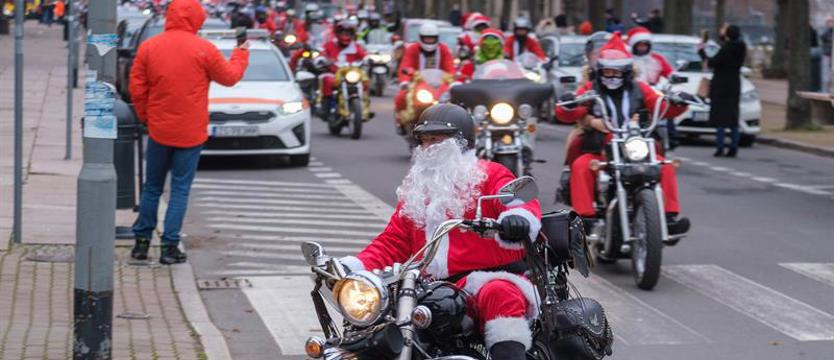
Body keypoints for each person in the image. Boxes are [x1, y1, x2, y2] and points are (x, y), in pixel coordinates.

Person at [340, 103, 543, 360]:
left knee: (499, 295)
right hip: (428, 287)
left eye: (435, 139)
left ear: (460, 142)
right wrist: (352, 266)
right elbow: (394, 241)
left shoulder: (489, 174)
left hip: (486, 279)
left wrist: (517, 219)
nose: (427, 148)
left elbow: (519, 201)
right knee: (378, 322)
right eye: (424, 140)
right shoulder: (418, 189)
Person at [128, 0, 249, 264]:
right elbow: (229, 77)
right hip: (190, 132)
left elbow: (137, 86)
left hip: (159, 129)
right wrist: (241, 52)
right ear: (197, 19)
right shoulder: (204, 49)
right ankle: (170, 246)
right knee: (180, 189)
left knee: (152, 188)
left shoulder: (150, 47)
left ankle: (141, 242)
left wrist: (147, 116)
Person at [555, 32, 690, 235]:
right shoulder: (591, 89)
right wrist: (570, 105)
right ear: (599, 71)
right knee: (581, 165)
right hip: (600, 148)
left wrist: (679, 102)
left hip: (635, 147)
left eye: (617, 72)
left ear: (627, 72)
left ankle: (669, 218)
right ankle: (586, 218)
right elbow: (569, 111)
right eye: (607, 72)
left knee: (664, 166)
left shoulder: (641, 89)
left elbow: (662, 108)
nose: (612, 76)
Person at [394, 23, 455, 132]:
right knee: (401, 97)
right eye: (426, 38)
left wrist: (453, 81)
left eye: (432, 38)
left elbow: (450, 68)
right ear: (421, 38)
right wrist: (404, 81)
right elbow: (405, 66)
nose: (429, 41)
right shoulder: (412, 49)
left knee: (455, 100)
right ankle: (401, 122)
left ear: (437, 38)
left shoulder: (444, 49)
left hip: (439, 84)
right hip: (418, 84)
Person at [699, 24, 746, 158]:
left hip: (721, 84)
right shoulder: (741, 47)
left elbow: (713, 62)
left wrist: (702, 52)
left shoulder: (726, 49)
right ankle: (733, 147)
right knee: (732, 117)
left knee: (720, 118)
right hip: (734, 83)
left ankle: (720, 147)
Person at [319, 21, 368, 111]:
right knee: (327, 80)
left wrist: (369, 59)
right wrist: (322, 60)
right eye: (343, 32)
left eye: (348, 33)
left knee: (365, 80)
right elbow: (321, 54)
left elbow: (364, 56)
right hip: (334, 73)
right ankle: (327, 105)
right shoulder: (330, 45)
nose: (345, 35)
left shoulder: (356, 46)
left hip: (351, 74)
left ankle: (364, 105)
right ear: (337, 33)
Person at [821, 17, 833, 93]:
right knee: (825, 73)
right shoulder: (825, 31)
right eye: (829, 22)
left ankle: (831, 89)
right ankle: (825, 90)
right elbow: (822, 36)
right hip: (827, 54)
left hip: (832, 55)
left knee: (832, 73)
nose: (831, 23)